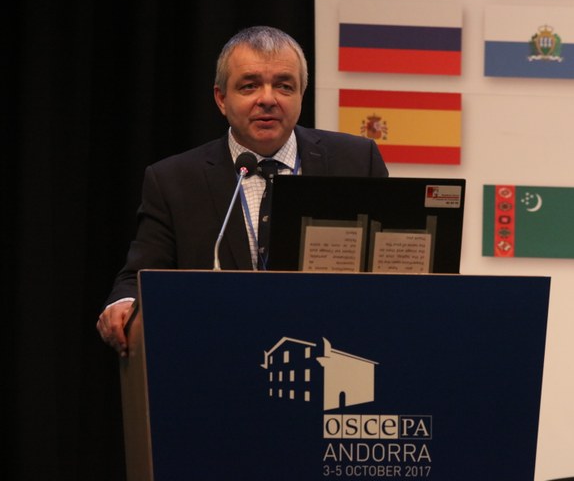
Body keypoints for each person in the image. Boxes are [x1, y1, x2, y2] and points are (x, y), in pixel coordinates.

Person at [96, 26, 388, 356]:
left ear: (301, 95)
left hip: (332, 350)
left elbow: (393, 271)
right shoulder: (174, 180)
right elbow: (138, 276)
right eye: (250, 86)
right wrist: (124, 303)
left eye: (284, 86)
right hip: (219, 351)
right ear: (222, 99)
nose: (268, 99)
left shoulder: (355, 161)